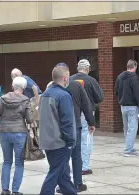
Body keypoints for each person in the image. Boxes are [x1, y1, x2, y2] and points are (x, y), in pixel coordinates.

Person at [51, 63, 96, 193]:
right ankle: (78, 183)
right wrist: (91, 122)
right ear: (67, 73)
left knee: (63, 157)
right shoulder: (76, 85)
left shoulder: (52, 88)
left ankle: (63, 184)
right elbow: (86, 105)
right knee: (76, 156)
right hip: (75, 125)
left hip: (59, 126)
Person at [0, 77, 34, 195]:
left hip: (4, 132)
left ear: (12, 85)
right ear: (24, 88)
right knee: (19, 162)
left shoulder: (2, 99)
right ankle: (15, 190)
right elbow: (30, 120)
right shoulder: (25, 100)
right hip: (19, 133)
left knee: (7, 161)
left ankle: (5, 190)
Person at [39, 64, 77, 195]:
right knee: (55, 173)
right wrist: (70, 141)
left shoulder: (44, 95)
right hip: (59, 142)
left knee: (63, 176)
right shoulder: (64, 95)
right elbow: (67, 121)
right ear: (65, 77)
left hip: (47, 141)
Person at [70, 59, 103, 175]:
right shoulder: (91, 80)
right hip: (87, 113)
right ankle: (84, 166)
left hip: (73, 113)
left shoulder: (70, 79)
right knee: (87, 139)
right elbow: (99, 97)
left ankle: (75, 164)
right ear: (88, 68)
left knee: (74, 139)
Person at [114, 59, 139, 157]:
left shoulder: (119, 77)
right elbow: (138, 93)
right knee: (132, 128)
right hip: (133, 106)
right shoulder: (134, 77)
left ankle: (129, 146)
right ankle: (128, 150)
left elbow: (116, 91)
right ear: (135, 66)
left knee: (126, 128)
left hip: (123, 106)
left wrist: (120, 100)